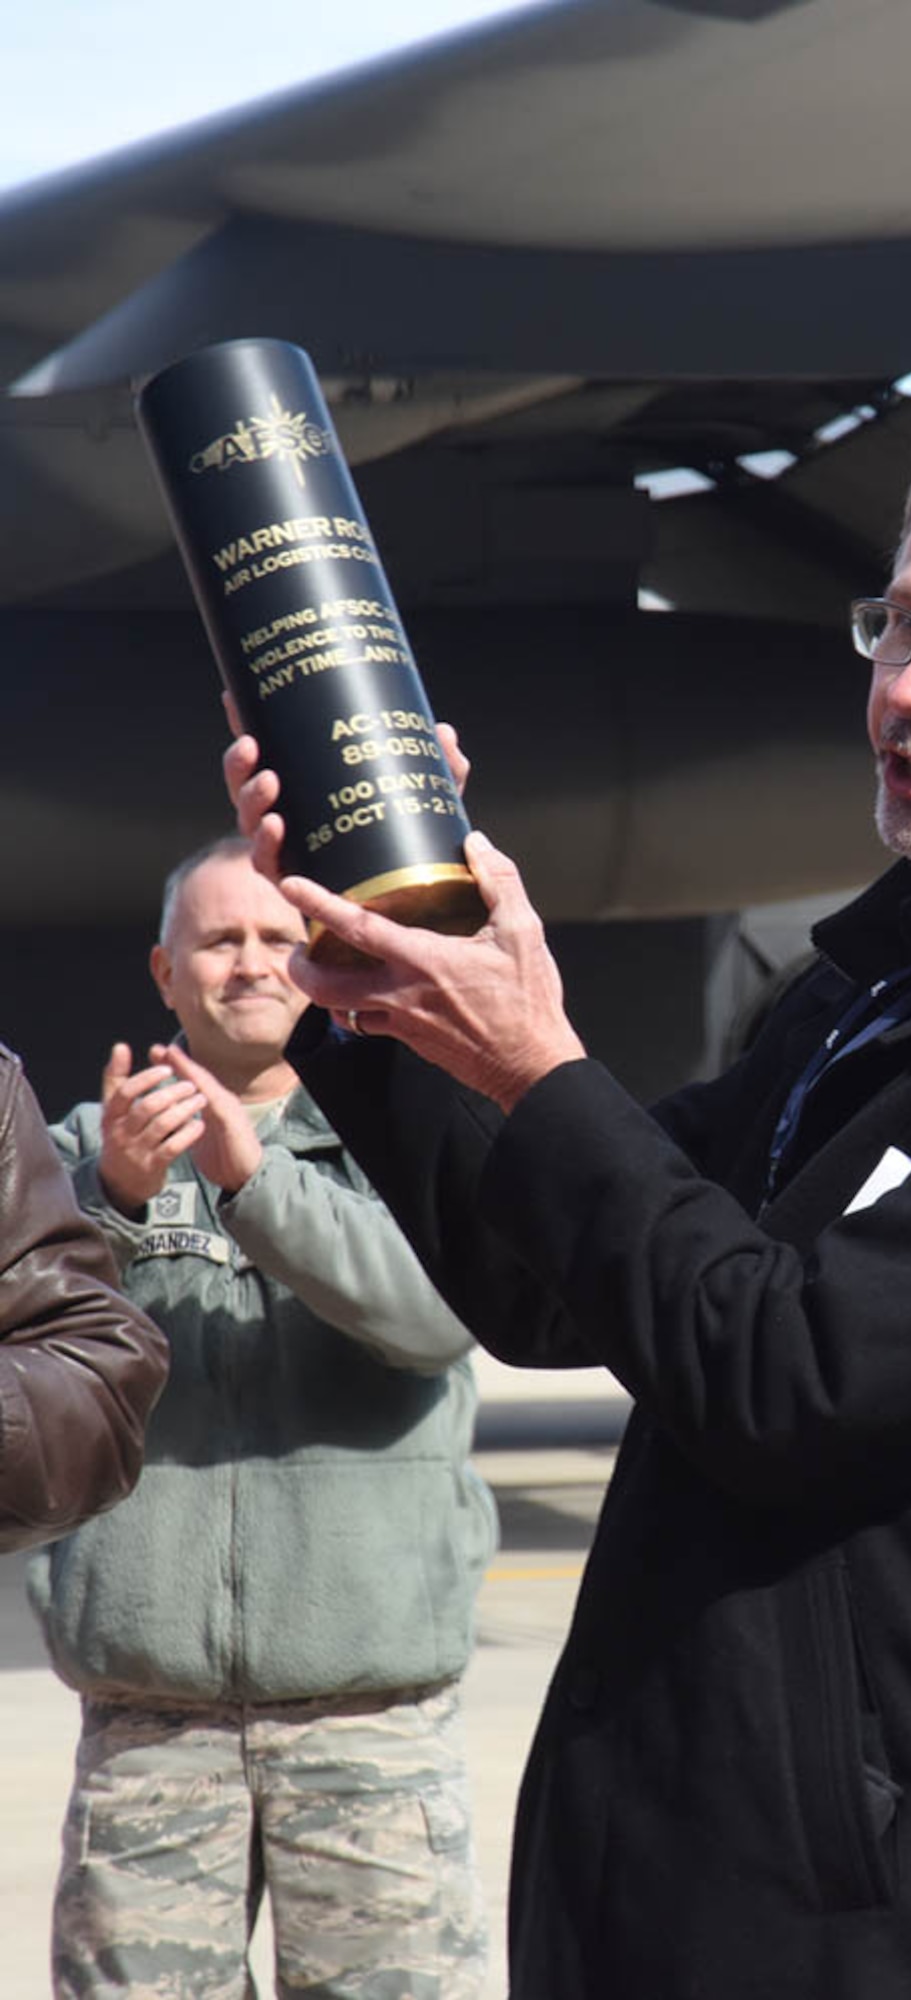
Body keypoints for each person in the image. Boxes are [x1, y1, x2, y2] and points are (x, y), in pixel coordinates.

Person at [227, 343, 911, 1999]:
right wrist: (396, 975)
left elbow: (793, 1378)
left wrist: (537, 1056)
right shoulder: (894, 975)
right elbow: (553, 1279)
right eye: (897, 623)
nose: (910, 688)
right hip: (700, 1890)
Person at [30, 836, 498, 2000]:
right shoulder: (86, 1153)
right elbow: (23, 1351)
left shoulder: (411, 1141)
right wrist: (114, 1208)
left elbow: (436, 1317)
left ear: (328, 958)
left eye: (281, 938)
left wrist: (257, 1185)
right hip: (152, 1727)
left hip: (369, 1733)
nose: (252, 964)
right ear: (164, 971)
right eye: (220, 939)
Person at [0, 1045, 167, 1550]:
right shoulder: (85, 1137)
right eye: (218, 955)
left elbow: (95, 1373)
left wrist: (256, 1187)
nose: (251, 967)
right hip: (124, 1610)